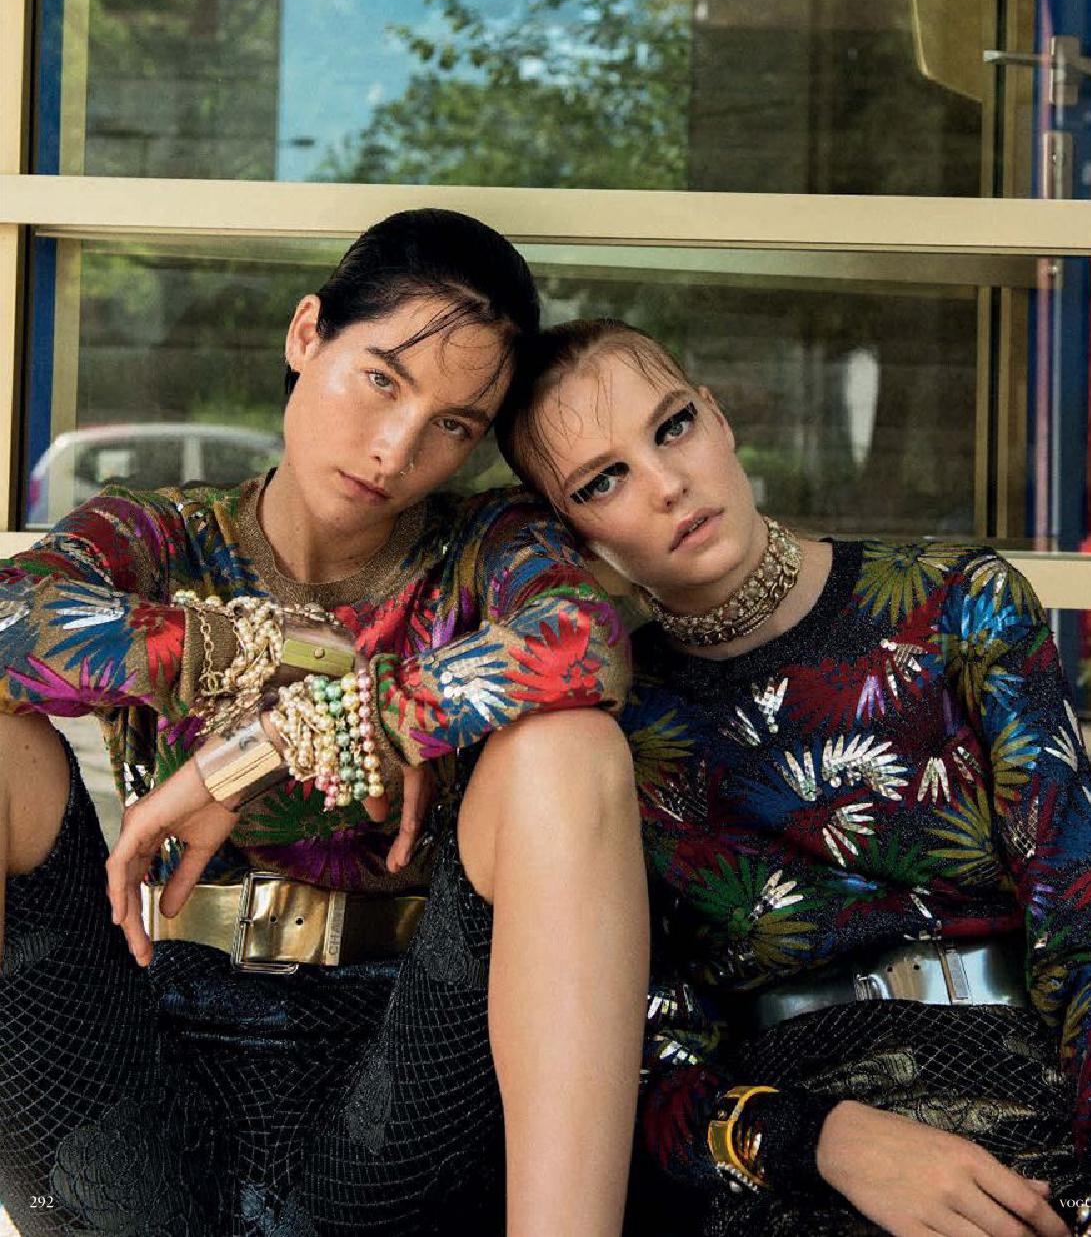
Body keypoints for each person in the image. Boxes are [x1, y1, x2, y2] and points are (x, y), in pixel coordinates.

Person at [495, 317, 1091, 1237]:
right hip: (806, 1168)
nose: (666, 483)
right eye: (603, 481)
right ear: (570, 532)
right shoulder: (608, 734)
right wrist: (825, 1142)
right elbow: (638, 1070)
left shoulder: (959, 604)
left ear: (718, 418)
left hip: (1054, 1110)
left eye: (673, 426)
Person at [0, 215, 648, 1237]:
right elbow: (10, 620)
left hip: (403, 1068)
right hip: (139, 1060)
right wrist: (278, 652)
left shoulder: (482, 546)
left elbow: (585, 640)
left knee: (569, 746)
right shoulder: (162, 534)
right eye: (382, 379)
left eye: (454, 426)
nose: (398, 448)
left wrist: (302, 735)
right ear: (308, 333)